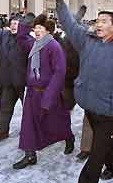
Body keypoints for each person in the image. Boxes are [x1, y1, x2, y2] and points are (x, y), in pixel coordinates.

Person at [54, 0, 113, 183]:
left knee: (97, 152)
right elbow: (70, 24)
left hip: (109, 109)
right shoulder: (87, 41)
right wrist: (60, 3)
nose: (98, 24)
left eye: (104, 21)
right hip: (89, 103)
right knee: (104, 143)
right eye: (97, 20)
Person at [13, 13, 74, 170]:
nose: (37, 31)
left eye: (40, 28)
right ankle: (30, 155)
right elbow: (20, 37)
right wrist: (26, 21)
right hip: (33, 93)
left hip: (49, 94)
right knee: (28, 124)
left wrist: (49, 97)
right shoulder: (34, 44)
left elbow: (59, 73)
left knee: (57, 122)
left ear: (48, 30)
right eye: (36, 28)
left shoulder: (54, 46)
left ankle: (68, 137)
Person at [0, 7, 28, 141]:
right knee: (5, 107)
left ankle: (30, 132)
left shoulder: (26, 39)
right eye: (12, 23)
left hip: (23, 82)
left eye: (17, 23)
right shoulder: (4, 36)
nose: (14, 25)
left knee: (28, 110)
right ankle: (2, 131)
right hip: (7, 81)